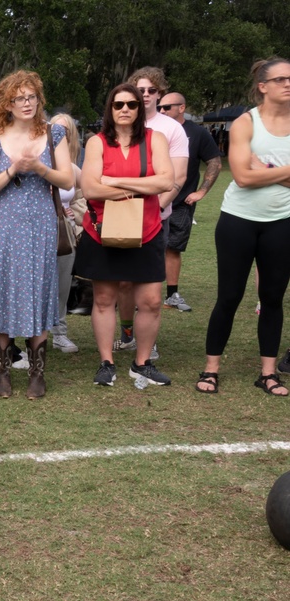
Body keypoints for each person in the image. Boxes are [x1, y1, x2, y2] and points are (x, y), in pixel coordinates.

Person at [0, 71, 75, 399]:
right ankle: (2, 370)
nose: (27, 103)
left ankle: (37, 371)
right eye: (19, 98)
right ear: (8, 103)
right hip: (7, 222)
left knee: (40, 288)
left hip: (42, 223)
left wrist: (40, 169)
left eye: (31, 97)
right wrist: (13, 169)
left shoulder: (54, 133)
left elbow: (67, 182)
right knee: (4, 287)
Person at [196, 58, 290, 396]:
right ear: (263, 86)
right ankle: (211, 369)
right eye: (280, 79)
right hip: (238, 221)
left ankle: (268, 373)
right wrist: (282, 171)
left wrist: (263, 166)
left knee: (273, 298)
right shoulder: (245, 123)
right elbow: (243, 177)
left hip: (282, 223)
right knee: (229, 296)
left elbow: (254, 172)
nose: (288, 84)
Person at [77, 83, 175, 388]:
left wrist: (114, 181)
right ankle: (106, 362)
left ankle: (141, 363)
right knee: (105, 298)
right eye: (118, 105)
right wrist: (141, 183)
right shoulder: (96, 143)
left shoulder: (154, 139)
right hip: (102, 230)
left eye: (131, 105)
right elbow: (90, 188)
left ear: (139, 109)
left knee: (151, 300)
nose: (125, 110)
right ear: (110, 108)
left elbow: (167, 182)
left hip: (146, 230)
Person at [114, 67, 188, 354]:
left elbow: (178, 176)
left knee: (149, 287)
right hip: (120, 216)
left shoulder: (171, 129)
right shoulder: (119, 125)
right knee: (122, 283)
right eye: (139, 90)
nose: (145, 95)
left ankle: (149, 342)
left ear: (160, 93)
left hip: (156, 218)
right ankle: (128, 333)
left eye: (151, 90)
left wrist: (155, 205)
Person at [158, 91, 223, 311]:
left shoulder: (196, 133)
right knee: (142, 246)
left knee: (172, 248)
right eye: (160, 107)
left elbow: (214, 162)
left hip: (180, 202)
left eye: (167, 107)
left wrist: (202, 192)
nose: (162, 111)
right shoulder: (153, 129)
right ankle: (136, 294)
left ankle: (172, 295)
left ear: (182, 108)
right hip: (150, 199)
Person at [49, 113, 86, 354]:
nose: (58, 134)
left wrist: (75, 216)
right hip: (34, 233)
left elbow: (84, 197)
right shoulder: (34, 160)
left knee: (62, 284)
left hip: (64, 234)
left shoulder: (72, 168)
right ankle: (31, 334)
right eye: (54, 129)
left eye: (64, 130)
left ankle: (59, 332)